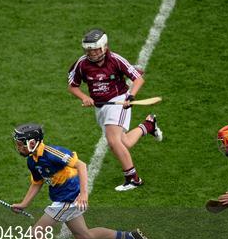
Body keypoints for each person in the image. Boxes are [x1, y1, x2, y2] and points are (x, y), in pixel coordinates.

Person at [11, 123, 156, 239]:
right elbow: (37, 182)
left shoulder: (52, 153)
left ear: (33, 142)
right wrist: (24, 203)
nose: (18, 146)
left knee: (37, 232)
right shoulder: (32, 161)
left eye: (21, 143)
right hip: (61, 199)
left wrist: (84, 194)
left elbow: (81, 165)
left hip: (69, 199)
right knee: (83, 235)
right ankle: (132, 237)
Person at [67, 28, 163, 192]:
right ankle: (148, 125)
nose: (91, 53)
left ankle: (133, 178)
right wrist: (84, 97)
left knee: (113, 141)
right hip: (100, 106)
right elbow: (72, 86)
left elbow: (138, 79)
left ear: (104, 47)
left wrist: (130, 97)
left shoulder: (116, 60)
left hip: (118, 100)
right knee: (123, 142)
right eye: (88, 50)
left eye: (95, 49)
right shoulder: (82, 64)